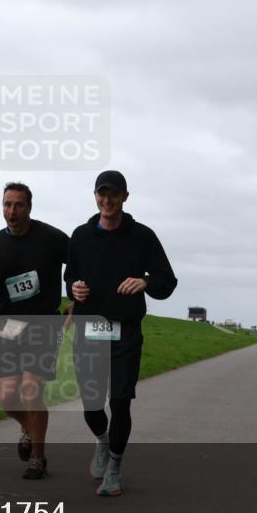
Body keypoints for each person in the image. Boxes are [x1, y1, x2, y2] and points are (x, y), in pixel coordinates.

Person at [65, 170, 177, 496]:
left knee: (121, 402)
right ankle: (102, 442)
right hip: (89, 328)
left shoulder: (142, 236)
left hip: (125, 330)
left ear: (125, 196)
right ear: (95, 195)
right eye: (102, 193)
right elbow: (70, 274)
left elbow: (166, 281)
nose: (107, 200)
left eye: (114, 194)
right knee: (91, 404)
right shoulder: (81, 236)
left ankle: (114, 467)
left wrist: (145, 281)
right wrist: (74, 288)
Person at [0, 183, 69, 479]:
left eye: (18, 205)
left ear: (29, 207)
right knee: (5, 396)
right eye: (7, 205)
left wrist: (75, 303)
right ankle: (28, 426)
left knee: (31, 388)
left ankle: (37, 458)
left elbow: (80, 266)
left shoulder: (51, 238)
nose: (12, 211)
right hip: (8, 325)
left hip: (43, 324)